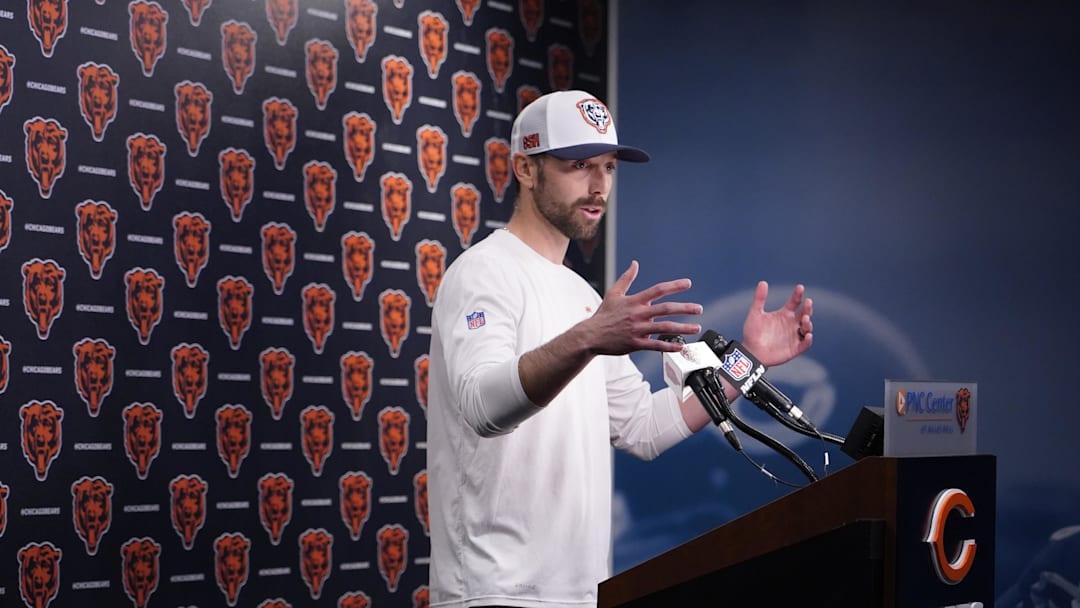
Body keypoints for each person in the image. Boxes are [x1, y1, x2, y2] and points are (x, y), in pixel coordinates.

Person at [426, 89, 814, 608]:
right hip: (493, 594)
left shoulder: (582, 295)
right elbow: (482, 407)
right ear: (524, 167)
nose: (599, 185)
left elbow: (643, 428)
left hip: (582, 593)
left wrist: (748, 361)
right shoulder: (482, 274)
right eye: (579, 164)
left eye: (608, 166)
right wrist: (588, 339)